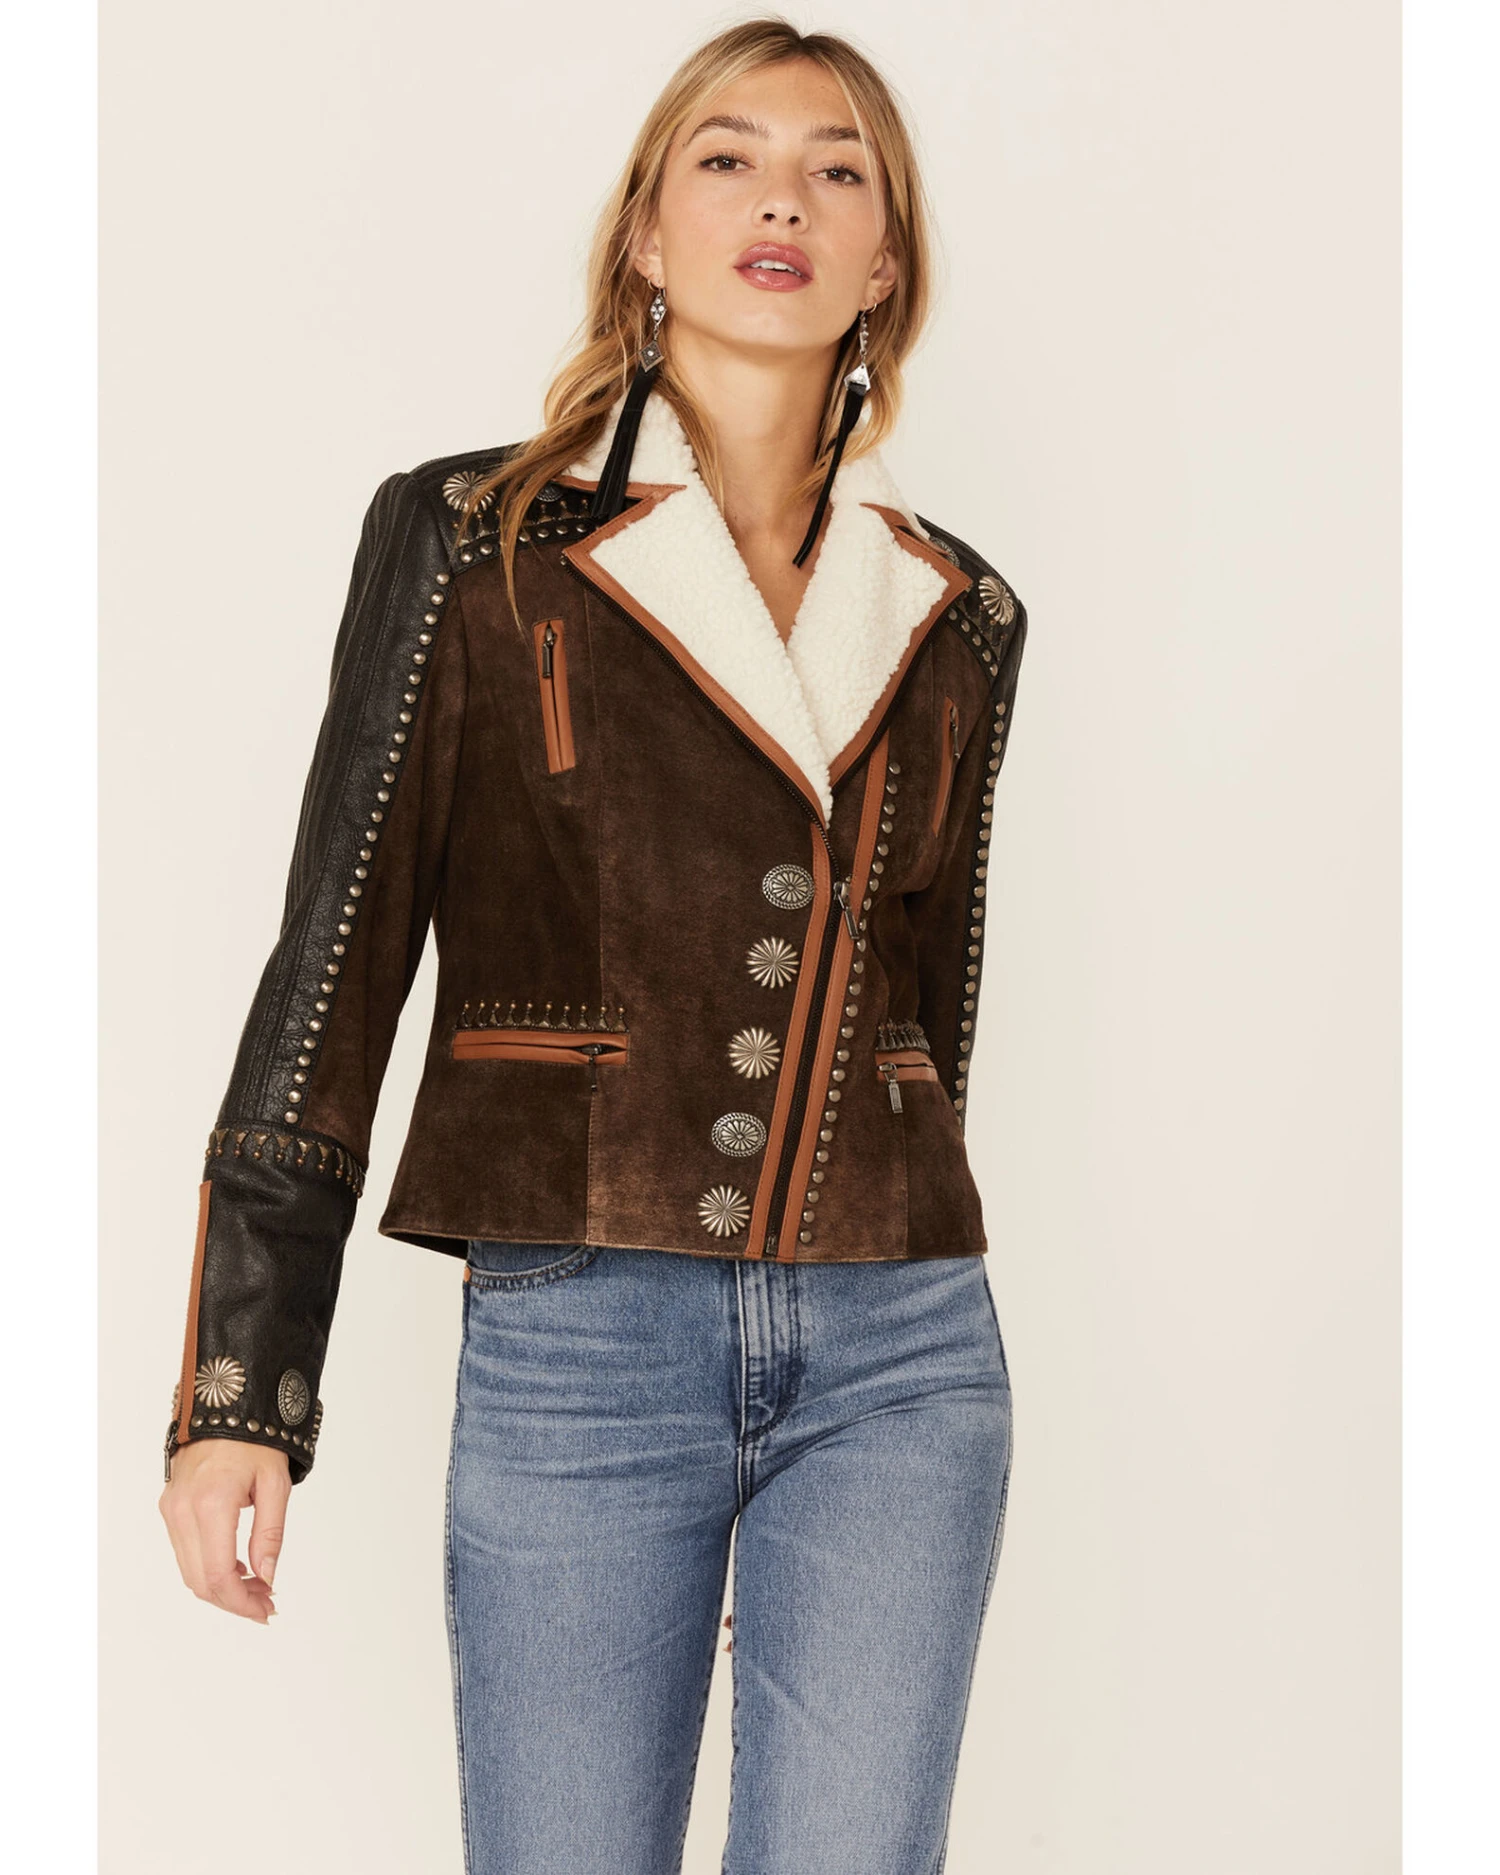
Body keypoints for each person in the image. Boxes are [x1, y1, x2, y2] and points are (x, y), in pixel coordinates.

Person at [159, 17, 1030, 1873]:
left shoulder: (959, 611)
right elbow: (335, 960)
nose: (783, 199)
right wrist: (246, 1384)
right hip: (585, 1333)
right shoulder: (474, 542)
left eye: (838, 170)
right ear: (645, 232)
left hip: (903, 1345)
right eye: (728, 158)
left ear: (885, 263)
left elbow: (925, 1024)